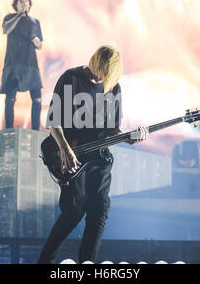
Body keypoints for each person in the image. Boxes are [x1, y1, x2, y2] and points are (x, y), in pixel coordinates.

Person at [38, 45, 149, 264]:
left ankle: (87, 263)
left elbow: (112, 130)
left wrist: (129, 137)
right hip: (71, 153)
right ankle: (45, 262)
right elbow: (53, 122)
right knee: (74, 210)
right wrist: (65, 150)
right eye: (101, 75)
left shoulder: (113, 87)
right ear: (95, 63)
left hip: (100, 157)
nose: (102, 82)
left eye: (107, 78)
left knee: (100, 209)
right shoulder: (71, 78)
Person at [0, 0, 43, 130]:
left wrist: (37, 43)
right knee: (10, 98)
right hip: (13, 63)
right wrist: (19, 15)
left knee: (37, 99)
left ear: (30, 5)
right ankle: (8, 130)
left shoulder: (35, 22)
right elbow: (6, 29)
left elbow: (40, 44)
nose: (24, 2)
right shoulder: (10, 17)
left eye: (26, 0)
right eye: (21, 0)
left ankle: (36, 130)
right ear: (16, 4)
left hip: (30, 64)